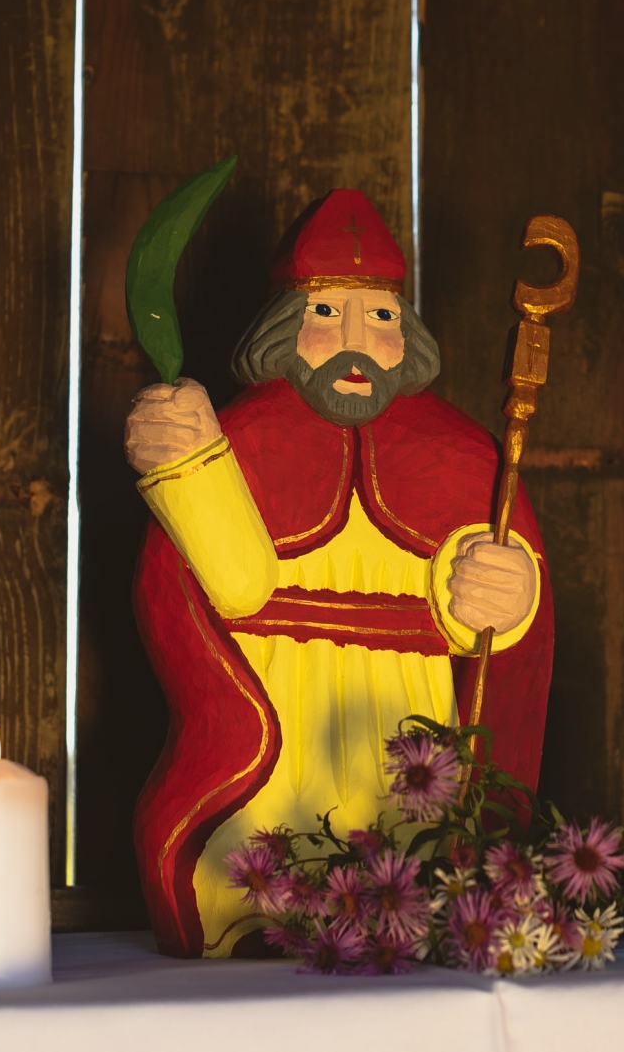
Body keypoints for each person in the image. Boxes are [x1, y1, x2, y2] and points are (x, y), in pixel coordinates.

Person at [122, 188, 553, 958]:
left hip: (411, 733)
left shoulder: (463, 453)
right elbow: (200, 585)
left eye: (380, 316)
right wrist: (183, 468)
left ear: (406, 334)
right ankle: (257, 912)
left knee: (412, 845)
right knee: (267, 853)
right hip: (277, 719)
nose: (357, 340)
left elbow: (508, 617)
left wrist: (507, 592)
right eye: (327, 313)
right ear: (285, 328)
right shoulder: (233, 438)